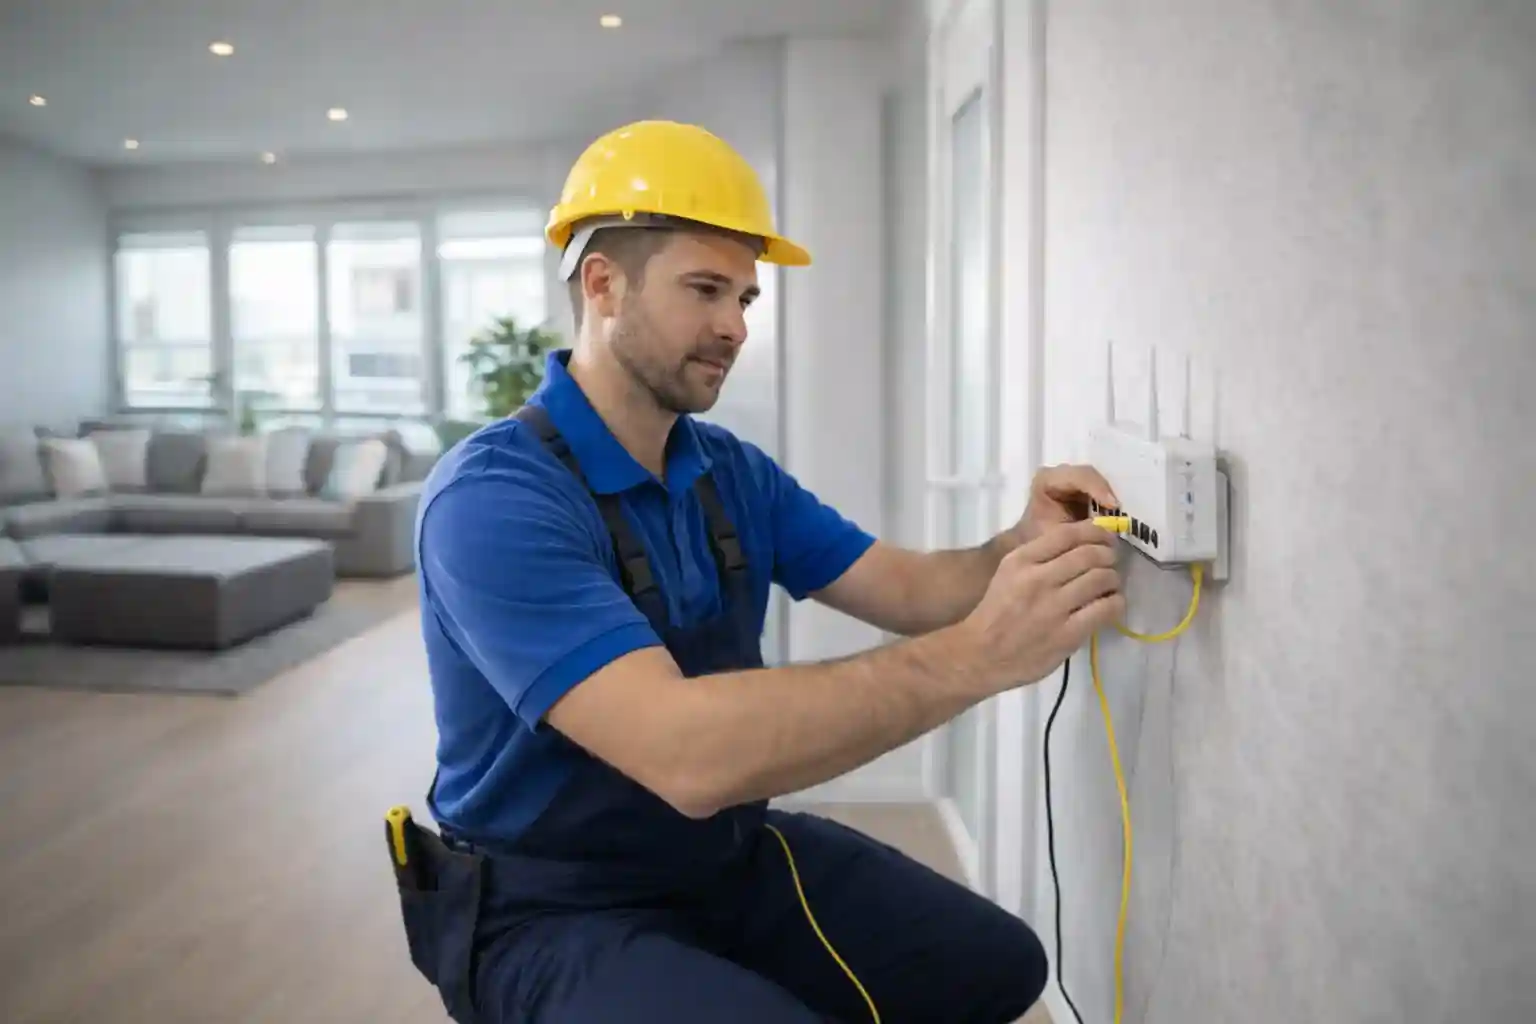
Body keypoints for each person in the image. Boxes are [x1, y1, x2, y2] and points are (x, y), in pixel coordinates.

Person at [409, 119, 1126, 1024]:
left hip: (720, 859)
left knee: (997, 966)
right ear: (603, 285)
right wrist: (976, 658)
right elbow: (686, 753)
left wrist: (1012, 547)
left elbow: (908, 591)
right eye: (705, 289)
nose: (734, 326)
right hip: (550, 909)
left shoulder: (729, 471)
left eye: (746, 298)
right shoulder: (494, 500)